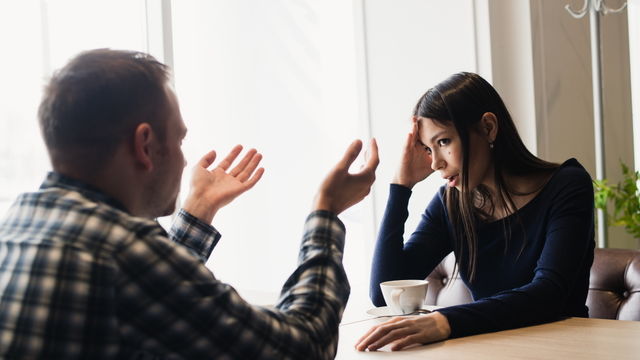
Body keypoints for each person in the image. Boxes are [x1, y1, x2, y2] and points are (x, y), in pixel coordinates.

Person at [0, 48, 379, 359]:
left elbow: (145, 297)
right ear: (145, 144)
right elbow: (304, 347)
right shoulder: (122, 251)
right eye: (179, 140)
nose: (184, 160)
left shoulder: (19, 222)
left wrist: (196, 211)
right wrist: (326, 212)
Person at [356, 72, 595, 351]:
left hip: (566, 349)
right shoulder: (451, 202)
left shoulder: (567, 185)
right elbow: (385, 292)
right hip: (489, 349)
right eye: (427, 149)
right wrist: (401, 187)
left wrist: (445, 321)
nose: (435, 164)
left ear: (488, 127)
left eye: (443, 142)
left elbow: (549, 294)